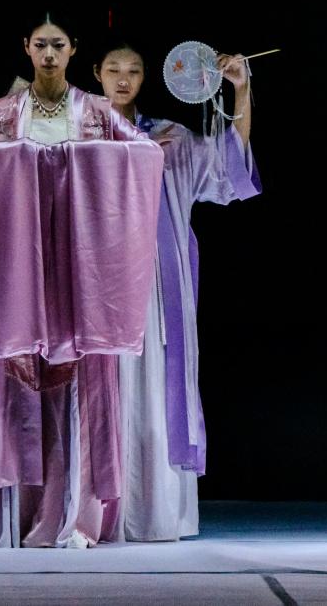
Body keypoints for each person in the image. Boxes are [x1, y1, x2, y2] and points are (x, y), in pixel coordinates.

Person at [0, 16, 155, 548]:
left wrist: (78, 166)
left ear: (73, 50)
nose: (50, 54)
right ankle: (18, 518)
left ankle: (81, 517)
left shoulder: (97, 112)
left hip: (82, 271)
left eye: (59, 45)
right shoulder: (1, 115)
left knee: (88, 386)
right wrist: (17, 170)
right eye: (41, 45)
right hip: (19, 268)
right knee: (16, 385)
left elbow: (144, 155)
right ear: (28, 49)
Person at [92, 43, 260, 541]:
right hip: (97, 283)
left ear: (147, 77)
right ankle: (97, 509)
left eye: (133, 70)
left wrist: (241, 92)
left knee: (156, 385)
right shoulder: (80, 137)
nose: (123, 78)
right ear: (96, 74)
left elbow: (227, 170)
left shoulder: (170, 137)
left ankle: (157, 510)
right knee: (104, 387)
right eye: (113, 69)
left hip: (158, 283)